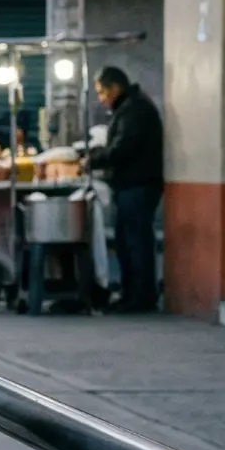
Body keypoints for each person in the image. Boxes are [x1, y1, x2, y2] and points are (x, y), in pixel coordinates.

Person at [90, 66, 165, 313]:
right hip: (130, 186)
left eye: (102, 92)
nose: (100, 99)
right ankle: (131, 295)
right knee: (126, 242)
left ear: (115, 87)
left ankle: (140, 298)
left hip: (138, 186)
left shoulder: (134, 110)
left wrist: (94, 159)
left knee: (136, 243)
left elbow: (123, 148)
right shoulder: (129, 108)